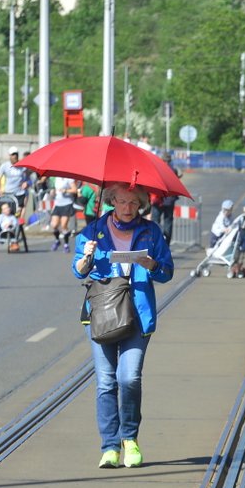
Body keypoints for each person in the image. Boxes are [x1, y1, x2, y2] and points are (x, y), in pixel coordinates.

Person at [72, 183, 174, 469]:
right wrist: (86, 257)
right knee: (105, 381)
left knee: (128, 378)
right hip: (102, 313)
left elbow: (167, 272)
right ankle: (110, 446)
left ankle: (130, 438)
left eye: (134, 202)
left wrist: (152, 264)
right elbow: (77, 270)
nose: (128, 208)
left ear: (141, 203)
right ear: (111, 201)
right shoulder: (92, 232)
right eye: (122, 202)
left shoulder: (151, 232)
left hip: (138, 314)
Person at [0, 147, 30, 223]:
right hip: (8, 193)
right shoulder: (5, 166)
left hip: (19, 193)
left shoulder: (23, 166)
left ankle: (17, 228)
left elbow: (29, 178)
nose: (15, 156)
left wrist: (27, 183)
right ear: (10, 156)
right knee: (8, 213)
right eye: (13, 154)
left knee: (18, 213)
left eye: (16, 154)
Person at [50, 176, 79, 251]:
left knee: (63, 225)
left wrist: (65, 190)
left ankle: (66, 244)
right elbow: (55, 191)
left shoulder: (69, 179)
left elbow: (75, 190)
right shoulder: (56, 178)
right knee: (54, 225)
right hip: (57, 204)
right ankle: (57, 240)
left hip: (67, 204)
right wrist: (52, 193)